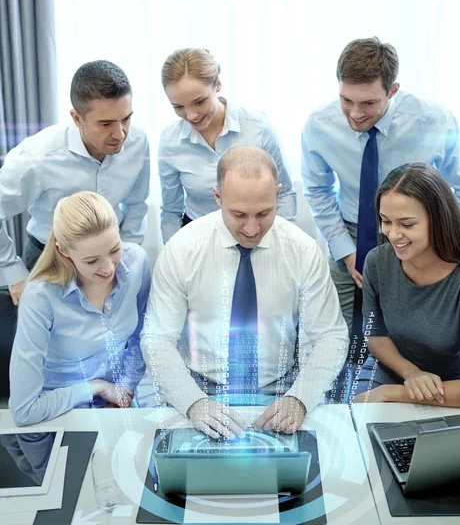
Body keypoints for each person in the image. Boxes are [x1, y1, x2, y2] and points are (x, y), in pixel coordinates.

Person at [142, 147, 348, 439]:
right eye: (238, 214)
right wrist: (193, 402)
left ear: (278, 195)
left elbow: (330, 335)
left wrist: (300, 397)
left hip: (281, 389)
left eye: (263, 213)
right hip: (200, 388)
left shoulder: (303, 251)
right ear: (217, 197)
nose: (252, 229)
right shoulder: (181, 249)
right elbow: (157, 339)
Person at [301, 37, 460, 331]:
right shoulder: (319, 125)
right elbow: (317, 190)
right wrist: (346, 250)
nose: (355, 113)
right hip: (351, 233)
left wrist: (445, 240)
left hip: (419, 233)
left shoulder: (434, 121)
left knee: (409, 328)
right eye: (346, 100)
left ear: (393, 90)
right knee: (336, 330)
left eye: (368, 103)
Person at [0, 60, 150, 305]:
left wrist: (125, 256)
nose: (120, 134)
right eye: (106, 124)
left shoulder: (139, 142)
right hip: (51, 261)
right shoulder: (36, 156)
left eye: (126, 119)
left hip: (109, 259)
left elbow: (137, 204)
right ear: (77, 118)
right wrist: (13, 273)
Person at [9, 191, 151, 426]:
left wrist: (124, 388)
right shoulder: (41, 296)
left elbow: (142, 335)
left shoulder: (137, 262)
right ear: (63, 251)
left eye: (115, 249)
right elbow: (24, 411)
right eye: (91, 260)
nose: (108, 268)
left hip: (117, 404)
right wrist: (96, 388)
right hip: (59, 413)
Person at [352, 163, 460, 407]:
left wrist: (394, 393)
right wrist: (411, 373)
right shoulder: (377, 261)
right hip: (392, 366)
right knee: (358, 418)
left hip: (456, 382)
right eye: (386, 221)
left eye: (406, 224)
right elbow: (375, 336)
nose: (393, 234)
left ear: (438, 220)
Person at [159, 48, 297, 244]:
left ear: (217, 85)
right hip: (198, 240)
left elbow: (285, 194)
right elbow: (171, 211)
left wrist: (282, 245)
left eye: (199, 102)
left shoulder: (258, 128)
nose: (191, 115)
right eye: (178, 107)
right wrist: (172, 255)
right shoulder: (170, 142)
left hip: (257, 234)